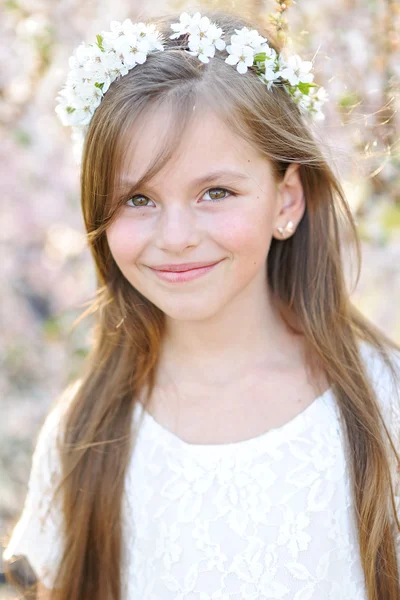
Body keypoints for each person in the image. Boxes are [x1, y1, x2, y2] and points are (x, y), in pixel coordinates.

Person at [3, 9, 400, 600]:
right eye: (138, 198)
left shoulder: (382, 405)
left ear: (286, 199)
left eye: (217, 192)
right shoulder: (85, 432)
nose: (176, 235)